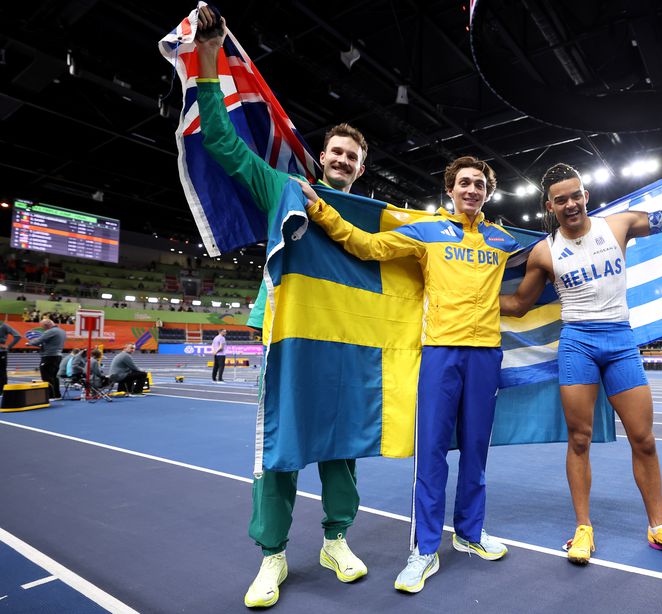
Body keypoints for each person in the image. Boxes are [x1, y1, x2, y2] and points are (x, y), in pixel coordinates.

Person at [499, 135, 662, 564]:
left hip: (620, 342)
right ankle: (583, 528)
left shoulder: (617, 225)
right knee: (579, 439)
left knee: (644, 438)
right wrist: (464, 297)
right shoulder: (544, 252)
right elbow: (519, 304)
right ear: (550, 206)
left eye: (575, 196)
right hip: (578, 344)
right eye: (560, 200)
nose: (570, 205)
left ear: (586, 195)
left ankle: (659, 528)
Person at [194, 9, 369, 608]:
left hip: (345, 341)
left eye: (352, 156)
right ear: (323, 155)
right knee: (280, 444)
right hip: (288, 335)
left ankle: (336, 540)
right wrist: (210, 58)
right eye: (336, 152)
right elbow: (221, 142)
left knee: (343, 444)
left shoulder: (370, 216)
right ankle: (273, 554)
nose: (342, 160)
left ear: (362, 167)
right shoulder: (285, 189)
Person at [301, 154, 520, 593]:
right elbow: (368, 245)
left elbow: (542, 262)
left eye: (479, 184)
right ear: (450, 189)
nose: (472, 189)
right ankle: (424, 550)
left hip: (485, 356)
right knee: (432, 452)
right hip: (439, 353)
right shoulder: (426, 231)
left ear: (488, 193)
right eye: (464, 182)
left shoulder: (504, 240)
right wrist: (319, 208)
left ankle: (470, 534)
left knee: (476, 452)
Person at [26, 318, 66, 400]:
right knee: (54, 376)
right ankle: (57, 395)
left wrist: (29, 343)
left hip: (49, 356)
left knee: (46, 376)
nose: (43, 329)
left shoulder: (50, 331)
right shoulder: (62, 331)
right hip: (58, 355)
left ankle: (50, 395)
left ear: (46, 325)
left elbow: (39, 340)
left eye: (43, 327)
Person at [0, 319, 22, 391]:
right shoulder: (4, 325)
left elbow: (18, 336)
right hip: (2, 352)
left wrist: (8, 346)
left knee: (2, 371)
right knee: (2, 371)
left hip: (1, 352)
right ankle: (2, 390)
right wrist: (9, 346)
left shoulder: (3, 326)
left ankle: (2, 390)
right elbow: (17, 336)